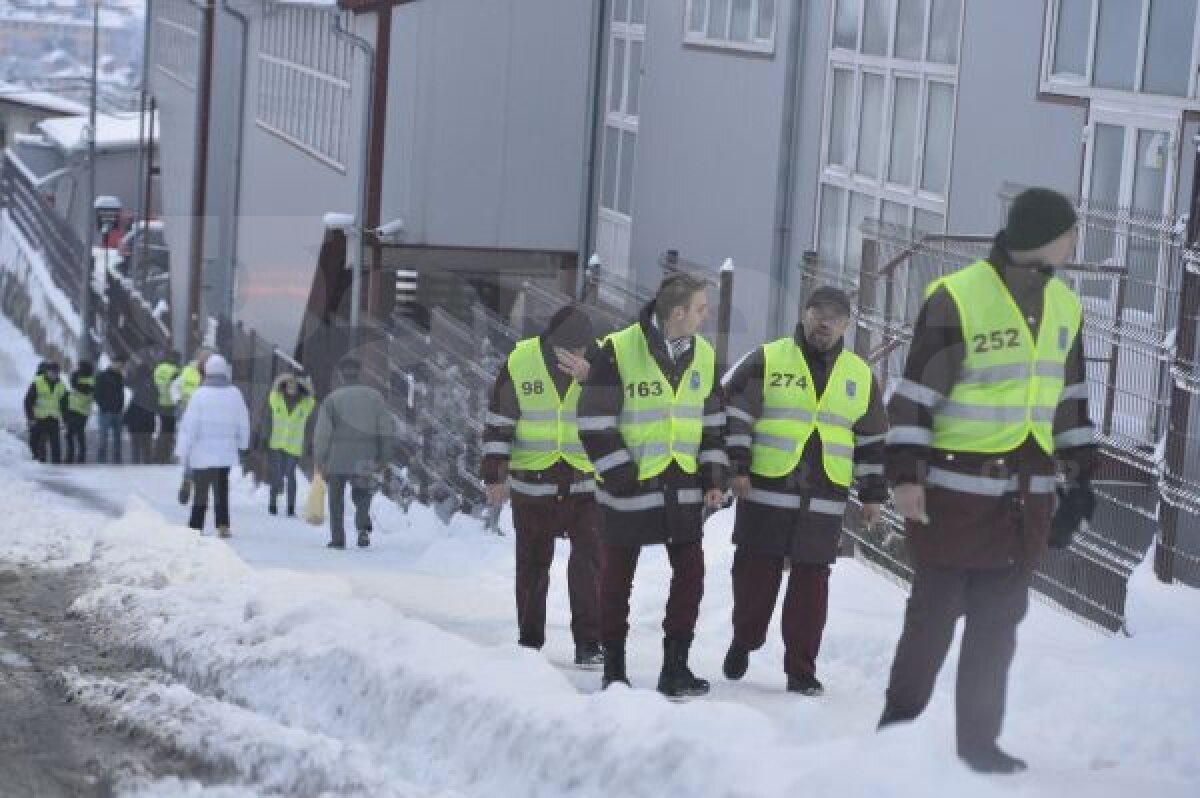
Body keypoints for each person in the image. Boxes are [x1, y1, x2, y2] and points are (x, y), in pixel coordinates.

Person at [878, 187, 1097, 773]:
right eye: (1070, 231)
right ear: (1043, 237)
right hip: (954, 494)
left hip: (1024, 500)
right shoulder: (959, 297)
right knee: (933, 620)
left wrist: (1081, 476)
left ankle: (979, 743)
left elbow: (1070, 401)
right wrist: (905, 475)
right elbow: (917, 396)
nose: (1076, 242)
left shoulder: (1066, 307)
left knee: (997, 629)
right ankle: (897, 727)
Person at [721, 287, 889, 696]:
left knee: (811, 590)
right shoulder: (769, 358)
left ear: (847, 324)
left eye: (835, 315)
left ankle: (801, 671)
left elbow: (871, 439)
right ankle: (745, 639)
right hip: (766, 492)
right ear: (804, 313)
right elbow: (735, 411)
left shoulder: (859, 375)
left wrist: (871, 494)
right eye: (818, 312)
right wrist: (736, 466)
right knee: (754, 581)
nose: (824, 322)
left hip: (823, 499)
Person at [577, 272, 728, 697]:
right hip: (629, 487)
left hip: (681, 489)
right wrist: (621, 475)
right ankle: (615, 669)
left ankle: (675, 668)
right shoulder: (618, 351)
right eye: (700, 308)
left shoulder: (703, 356)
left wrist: (713, 478)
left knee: (691, 576)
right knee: (616, 579)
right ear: (678, 313)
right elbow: (593, 421)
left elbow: (714, 424)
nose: (705, 316)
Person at [481, 305, 604, 668]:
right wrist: (495, 474)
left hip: (584, 481)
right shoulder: (521, 361)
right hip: (533, 483)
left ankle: (589, 643)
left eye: (585, 348)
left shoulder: (599, 363)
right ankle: (530, 641)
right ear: (554, 344)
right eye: (574, 349)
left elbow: (619, 411)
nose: (580, 354)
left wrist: (592, 377)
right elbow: (500, 420)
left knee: (590, 565)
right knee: (533, 564)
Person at [313, 356, 395, 549]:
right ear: (360, 373)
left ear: (341, 375)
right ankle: (363, 529)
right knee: (363, 494)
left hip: (337, 457)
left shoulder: (332, 399)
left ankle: (338, 539)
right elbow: (385, 429)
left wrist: (320, 459)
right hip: (365, 455)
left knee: (336, 499)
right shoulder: (374, 397)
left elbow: (322, 434)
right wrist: (384, 456)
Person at [175, 354, 249, 538]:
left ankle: (195, 525)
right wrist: (243, 442)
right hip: (225, 453)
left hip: (202, 453)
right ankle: (223, 525)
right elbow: (243, 421)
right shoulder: (235, 394)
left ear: (207, 371)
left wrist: (182, 449)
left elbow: (189, 425)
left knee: (201, 490)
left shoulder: (200, 394)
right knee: (221, 488)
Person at [267, 371, 316, 516]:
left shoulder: (306, 403)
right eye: (288, 383)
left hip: (293, 446)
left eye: (294, 384)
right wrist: (282, 377)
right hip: (277, 444)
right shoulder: (276, 398)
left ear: (299, 386)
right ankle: (272, 503)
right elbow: (274, 388)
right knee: (277, 475)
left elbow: (312, 395)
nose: (291, 386)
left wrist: (305, 383)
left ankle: (290, 507)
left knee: (290, 474)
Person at [173, 349, 211, 504]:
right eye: (203, 358)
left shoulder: (216, 376)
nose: (205, 362)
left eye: (208, 359)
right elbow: (175, 387)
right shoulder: (188, 371)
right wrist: (178, 401)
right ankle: (188, 481)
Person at [24, 360, 66, 463]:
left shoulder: (61, 385)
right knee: (35, 442)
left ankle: (56, 465)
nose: (54, 374)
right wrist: (30, 418)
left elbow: (64, 403)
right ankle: (34, 463)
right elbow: (28, 401)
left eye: (56, 372)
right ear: (47, 372)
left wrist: (66, 419)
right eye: (51, 372)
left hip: (53, 419)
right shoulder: (37, 383)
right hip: (38, 419)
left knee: (55, 445)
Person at [124, 356, 159, 465]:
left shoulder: (135, 384)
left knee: (135, 446)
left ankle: (136, 465)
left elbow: (131, 403)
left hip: (135, 421)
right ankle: (147, 464)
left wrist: (125, 419)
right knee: (147, 446)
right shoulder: (153, 385)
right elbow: (156, 401)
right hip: (148, 420)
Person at [95, 357, 126, 463]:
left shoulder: (120, 377)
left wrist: (121, 406)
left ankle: (117, 460)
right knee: (103, 438)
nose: (119, 367)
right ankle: (101, 460)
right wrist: (103, 406)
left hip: (118, 411)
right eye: (118, 364)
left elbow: (121, 393)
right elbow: (97, 393)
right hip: (106, 411)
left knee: (118, 439)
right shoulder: (102, 376)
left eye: (121, 365)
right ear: (112, 363)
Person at [64, 360, 95, 463]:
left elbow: (85, 389)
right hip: (73, 408)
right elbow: (75, 385)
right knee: (70, 434)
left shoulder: (90, 379)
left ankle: (80, 457)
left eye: (79, 366)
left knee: (78, 433)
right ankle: (72, 456)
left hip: (82, 410)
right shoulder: (77, 376)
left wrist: (78, 385)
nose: (77, 368)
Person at [153, 350, 181, 464]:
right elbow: (177, 387)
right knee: (169, 431)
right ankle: (165, 456)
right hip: (171, 404)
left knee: (163, 430)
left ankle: (158, 455)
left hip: (160, 402)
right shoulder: (175, 370)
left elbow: (156, 385)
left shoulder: (158, 369)